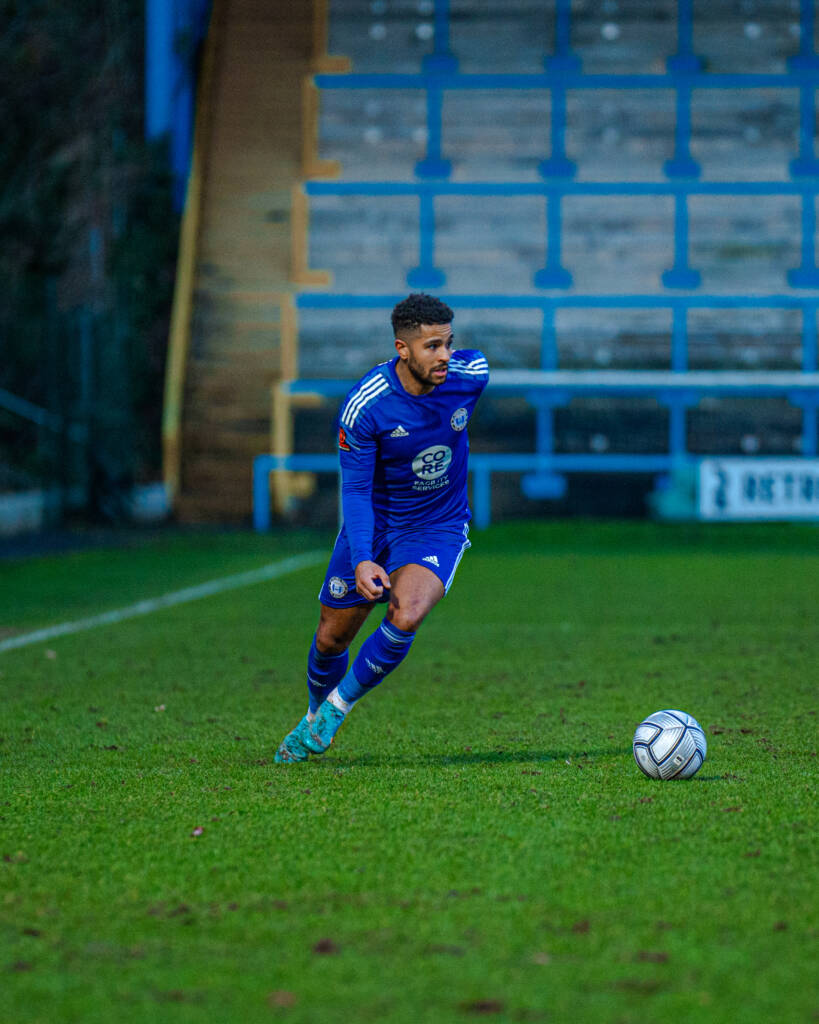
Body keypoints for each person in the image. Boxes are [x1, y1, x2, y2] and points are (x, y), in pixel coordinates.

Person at [274, 293, 489, 762]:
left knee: (406, 613)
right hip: (376, 525)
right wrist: (363, 558)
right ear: (402, 349)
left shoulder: (471, 375)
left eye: (449, 343)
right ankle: (313, 714)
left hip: (437, 525)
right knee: (331, 639)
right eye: (432, 346)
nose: (445, 356)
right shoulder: (366, 406)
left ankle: (337, 708)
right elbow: (354, 490)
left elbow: (467, 372)